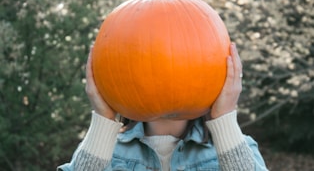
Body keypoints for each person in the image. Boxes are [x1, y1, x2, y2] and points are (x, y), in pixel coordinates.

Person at [58, 43, 268, 171]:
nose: (163, 74)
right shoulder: (104, 151)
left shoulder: (237, 148)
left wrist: (224, 116)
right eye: (147, 63)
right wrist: (103, 116)